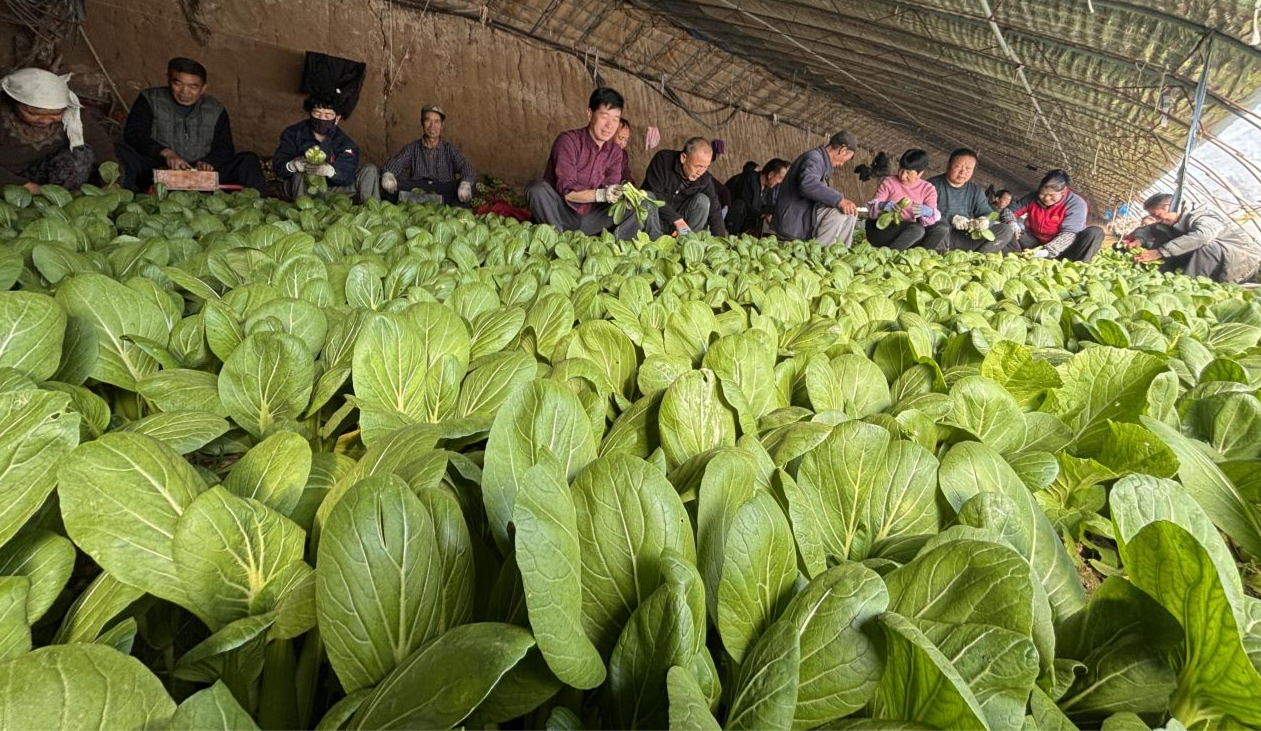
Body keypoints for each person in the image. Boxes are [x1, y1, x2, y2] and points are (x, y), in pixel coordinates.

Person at [117, 57, 266, 194]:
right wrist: (166, 153)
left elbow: (225, 146)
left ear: (203, 88)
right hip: (156, 167)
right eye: (178, 83)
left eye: (193, 86)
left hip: (200, 173)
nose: (184, 92)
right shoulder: (149, 99)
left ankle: (260, 208)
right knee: (120, 152)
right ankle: (130, 200)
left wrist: (210, 162)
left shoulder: (215, 109)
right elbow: (134, 134)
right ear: (169, 80)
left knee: (248, 160)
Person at [526, 87, 645, 239]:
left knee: (640, 203)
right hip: (562, 214)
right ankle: (555, 239)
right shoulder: (568, 141)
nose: (610, 125)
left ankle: (614, 247)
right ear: (589, 114)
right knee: (536, 189)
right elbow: (568, 193)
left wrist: (621, 195)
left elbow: (610, 186)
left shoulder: (615, 152)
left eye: (615, 119)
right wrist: (601, 194)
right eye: (604, 116)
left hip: (590, 219)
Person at [0, 68, 115, 193]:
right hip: (5, 175)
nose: (45, 121)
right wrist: (23, 186)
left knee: (82, 155)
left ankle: (60, 201)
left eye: (56, 114)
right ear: (15, 102)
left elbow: (103, 149)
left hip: (41, 173)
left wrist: (113, 183)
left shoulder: (73, 116)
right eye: (33, 114)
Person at [1124, 193, 1261, 283]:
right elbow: (1149, 229)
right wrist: (1140, 239)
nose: (1156, 219)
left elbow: (1202, 236)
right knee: (1163, 231)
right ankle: (1165, 274)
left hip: (1241, 262)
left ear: (1168, 207)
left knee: (1206, 245)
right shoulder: (1171, 219)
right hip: (1217, 258)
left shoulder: (1202, 214)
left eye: (1157, 215)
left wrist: (1160, 252)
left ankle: (1189, 284)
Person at [271, 95, 378, 202]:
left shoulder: (346, 144)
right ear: (310, 113)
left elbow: (347, 175)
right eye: (317, 113)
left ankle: (373, 210)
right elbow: (278, 166)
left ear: (337, 118)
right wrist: (292, 165)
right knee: (301, 173)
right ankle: (302, 212)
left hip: (333, 190)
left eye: (328, 116)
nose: (322, 118)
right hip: (300, 188)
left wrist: (330, 171)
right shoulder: (293, 133)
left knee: (369, 170)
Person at [775, 131, 860, 247]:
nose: (841, 165)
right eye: (845, 160)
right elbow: (808, 184)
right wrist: (839, 200)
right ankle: (820, 255)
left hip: (804, 216)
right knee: (838, 214)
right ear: (842, 151)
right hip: (793, 219)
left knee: (851, 213)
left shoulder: (821, 161)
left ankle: (840, 254)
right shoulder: (814, 158)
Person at [922, 149, 1016, 254]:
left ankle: (976, 258)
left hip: (966, 238)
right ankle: (941, 253)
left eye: (968, 169)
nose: (963, 172)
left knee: (1006, 229)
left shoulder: (975, 190)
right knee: (941, 227)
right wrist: (951, 218)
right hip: (942, 236)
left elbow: (988, 213)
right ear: (948, 165)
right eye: (958, 167)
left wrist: (985, 221)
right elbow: (923, 212)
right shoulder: (932, 185)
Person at [381, 104, 477, 206]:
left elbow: (465, 166)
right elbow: (397, 162)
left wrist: (465, 182)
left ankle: (447, 205)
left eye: (437, 121)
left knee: (469, 185)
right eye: (428, 121)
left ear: (442, 125)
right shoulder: (412, 148)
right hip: (416, 191)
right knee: (389, 182)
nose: (432, 126)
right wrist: (388, 174)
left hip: (443, 192)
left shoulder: (449, 149)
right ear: (422, 123)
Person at [640, 137, 728, 237]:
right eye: (697, 166)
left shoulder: (704, 178)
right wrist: (676, 220)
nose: (700, 172)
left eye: (705, 167)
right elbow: (654, 192)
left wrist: (721, 241)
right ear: (683, 158)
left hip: (680, 226)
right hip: (655, 219)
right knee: (648, 196)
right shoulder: (663, 160)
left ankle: (687, 241)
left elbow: (715, 210)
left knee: (703, 201)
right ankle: (655, 241)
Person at [1011, 170, 1103, 262]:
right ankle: (1018, 255)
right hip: (1036, 242)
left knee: (1095, 232)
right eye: (1042, 194)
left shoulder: (1076, 204)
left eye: (1052, 195)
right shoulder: (1032, 198)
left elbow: (1070, 234)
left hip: (1066, 247)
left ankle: (1079, 264)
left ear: (1063, 191)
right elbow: (1011, 210)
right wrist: (1011, 222)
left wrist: (1049, 250)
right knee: (1009, 230)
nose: (1046, 198)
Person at [864, 149, 940, 250]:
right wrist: (883, 205)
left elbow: (932, 217)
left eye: (908, 173)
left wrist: (929, 212)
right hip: (882, 230)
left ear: (920, 173)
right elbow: (872, 209)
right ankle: (891, 254)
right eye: (901, 170)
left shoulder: (928, 189)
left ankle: (909, 252)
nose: (903, 176)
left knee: (940, 228)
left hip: (909, 233)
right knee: (917, 230)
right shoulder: (889, 182)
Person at [725, 158, 789, 235]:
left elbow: (765, 207)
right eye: (780, 178)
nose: (780, 182)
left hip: (746, 225)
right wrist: (761, 215)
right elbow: (745, 204)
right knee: (740, 205)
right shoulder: (749, 178)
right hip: (729, 220)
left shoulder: (768, 188)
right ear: (770, 174)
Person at [615, 118, 633, 183]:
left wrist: (627, 183)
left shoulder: (623, 154)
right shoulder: (601, 153)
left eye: (626, 140)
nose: (623, 143)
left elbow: (626, 173)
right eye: (620, 138)